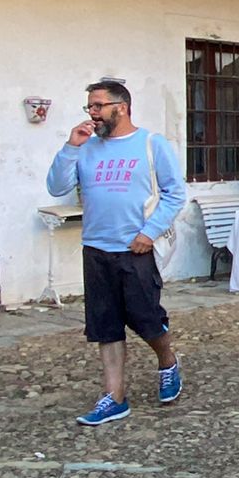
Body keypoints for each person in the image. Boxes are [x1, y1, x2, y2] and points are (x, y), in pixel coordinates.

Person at [46, 81, 187, 426]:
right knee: (105, 326)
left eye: (97, 106)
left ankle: (167, 362)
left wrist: (148, 233)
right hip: (96, 248)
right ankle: (115, 397)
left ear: (120, 107)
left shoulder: (152, 144)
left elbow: (175, 193)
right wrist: (70, 147)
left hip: (135, 248)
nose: (92, 113)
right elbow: (57, 187)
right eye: (89, 107)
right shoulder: (86, 147)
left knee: (147, 320)